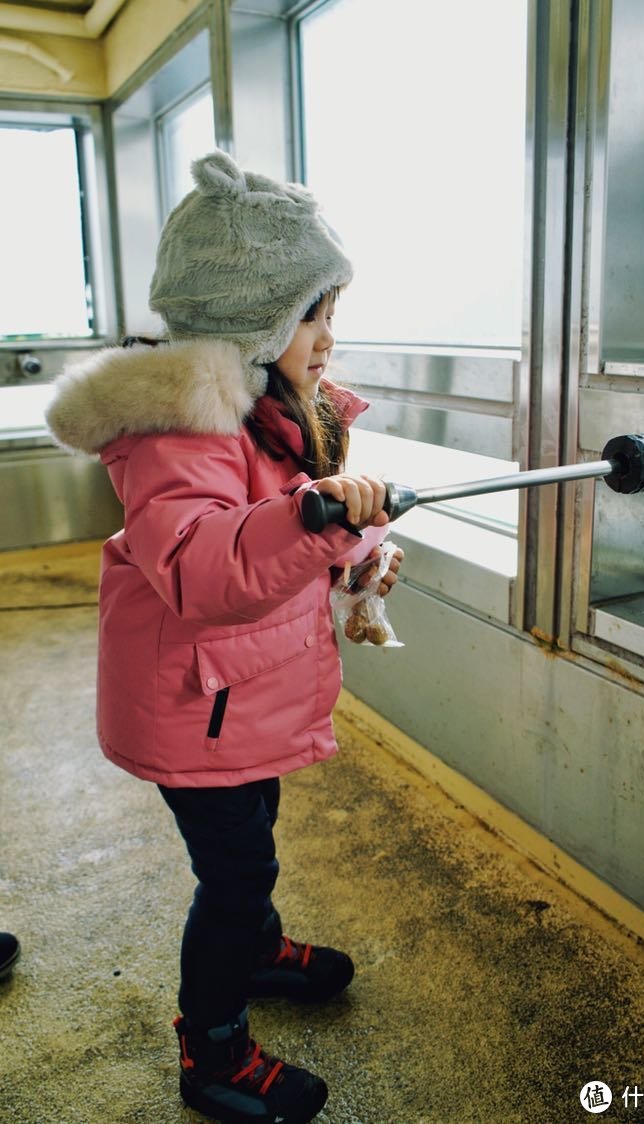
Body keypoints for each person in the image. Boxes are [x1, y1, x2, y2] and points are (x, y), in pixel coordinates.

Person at [45, 150, 403, 1124]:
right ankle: (212, 1047)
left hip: (237, 696)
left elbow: (286, 516)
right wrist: (312, 522)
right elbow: (211, 563)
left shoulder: (272, 415)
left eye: (331, 314)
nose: (330, 339)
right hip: (192, 701)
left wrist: (352, 541)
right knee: (234, 869)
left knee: (255, 840)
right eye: (312, 316)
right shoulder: (179, 432)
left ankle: (253, 943)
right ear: (250, 322)